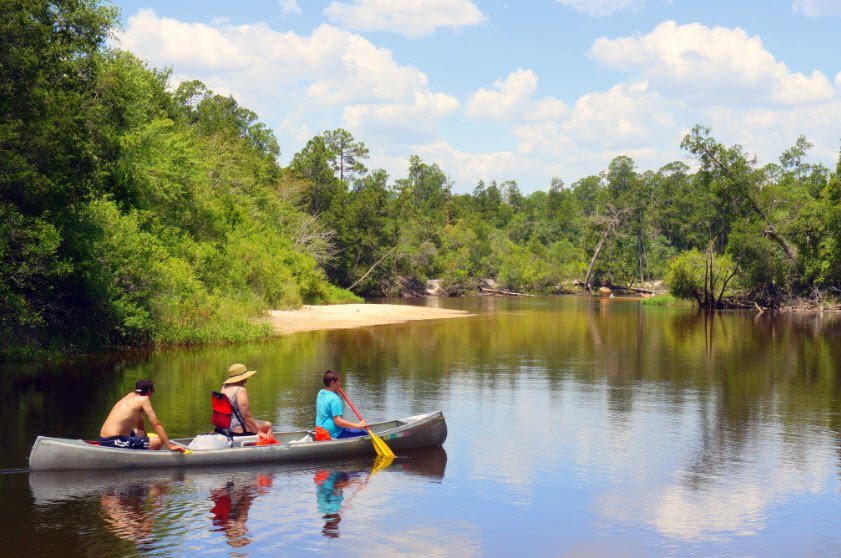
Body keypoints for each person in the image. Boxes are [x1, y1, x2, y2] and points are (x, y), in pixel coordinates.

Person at [99, 379, 181, 451]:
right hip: (113, 441)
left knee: (139, 432)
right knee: (158, 442)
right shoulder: (144, 400)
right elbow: (156, 424)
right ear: (149, 391)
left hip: (103, 439)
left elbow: (140, 426)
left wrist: (144, 437)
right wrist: (169, 445)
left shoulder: (130, 395)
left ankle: (139, 446)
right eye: (153, 391)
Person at [220, 363, 274, 441]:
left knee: (255, 423)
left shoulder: (224, 387)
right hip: (238, 427)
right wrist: (258, 431)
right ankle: (268, 447)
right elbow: (246, 415)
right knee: (268, 425)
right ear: (242, 378)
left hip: (225, 426)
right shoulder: (240, 390)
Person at [315, 370, 367, 439]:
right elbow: (338, 422)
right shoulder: (335, 399)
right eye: (339, 381)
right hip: (334, 434)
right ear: (332, 383)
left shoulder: (321, 393)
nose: (340, 383)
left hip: (320, 430)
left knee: (353, 429)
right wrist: (358, 425)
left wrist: (335, 390)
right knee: (364, 433)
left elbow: (330, 399)